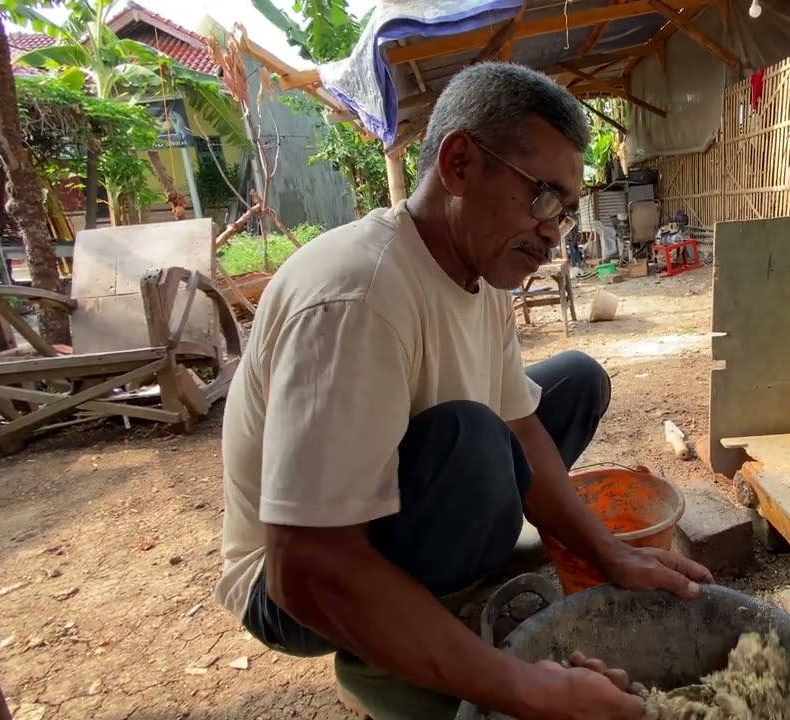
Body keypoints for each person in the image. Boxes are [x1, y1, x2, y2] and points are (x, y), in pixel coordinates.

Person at [213, 62, 713, 720]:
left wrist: (608, 550)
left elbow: (523, 427)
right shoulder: (357, 297)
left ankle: (451, 573)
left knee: (573, 383)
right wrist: (529, 688)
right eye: (543, 197)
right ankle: (391, 653)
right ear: (459, 164)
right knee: (477, 445)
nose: (552, 231)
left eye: (564, 212)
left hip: (392, 495)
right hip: (294, 586)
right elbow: (302, 567)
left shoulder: (480, 268)